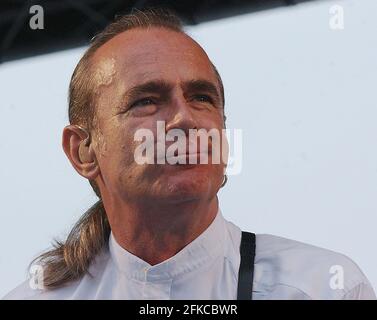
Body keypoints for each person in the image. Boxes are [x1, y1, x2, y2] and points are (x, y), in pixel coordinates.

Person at [3, 8, 375, 300]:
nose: (185, 119)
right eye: (146, 101)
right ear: (83, 150)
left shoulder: (324, 289)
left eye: (201, 98)